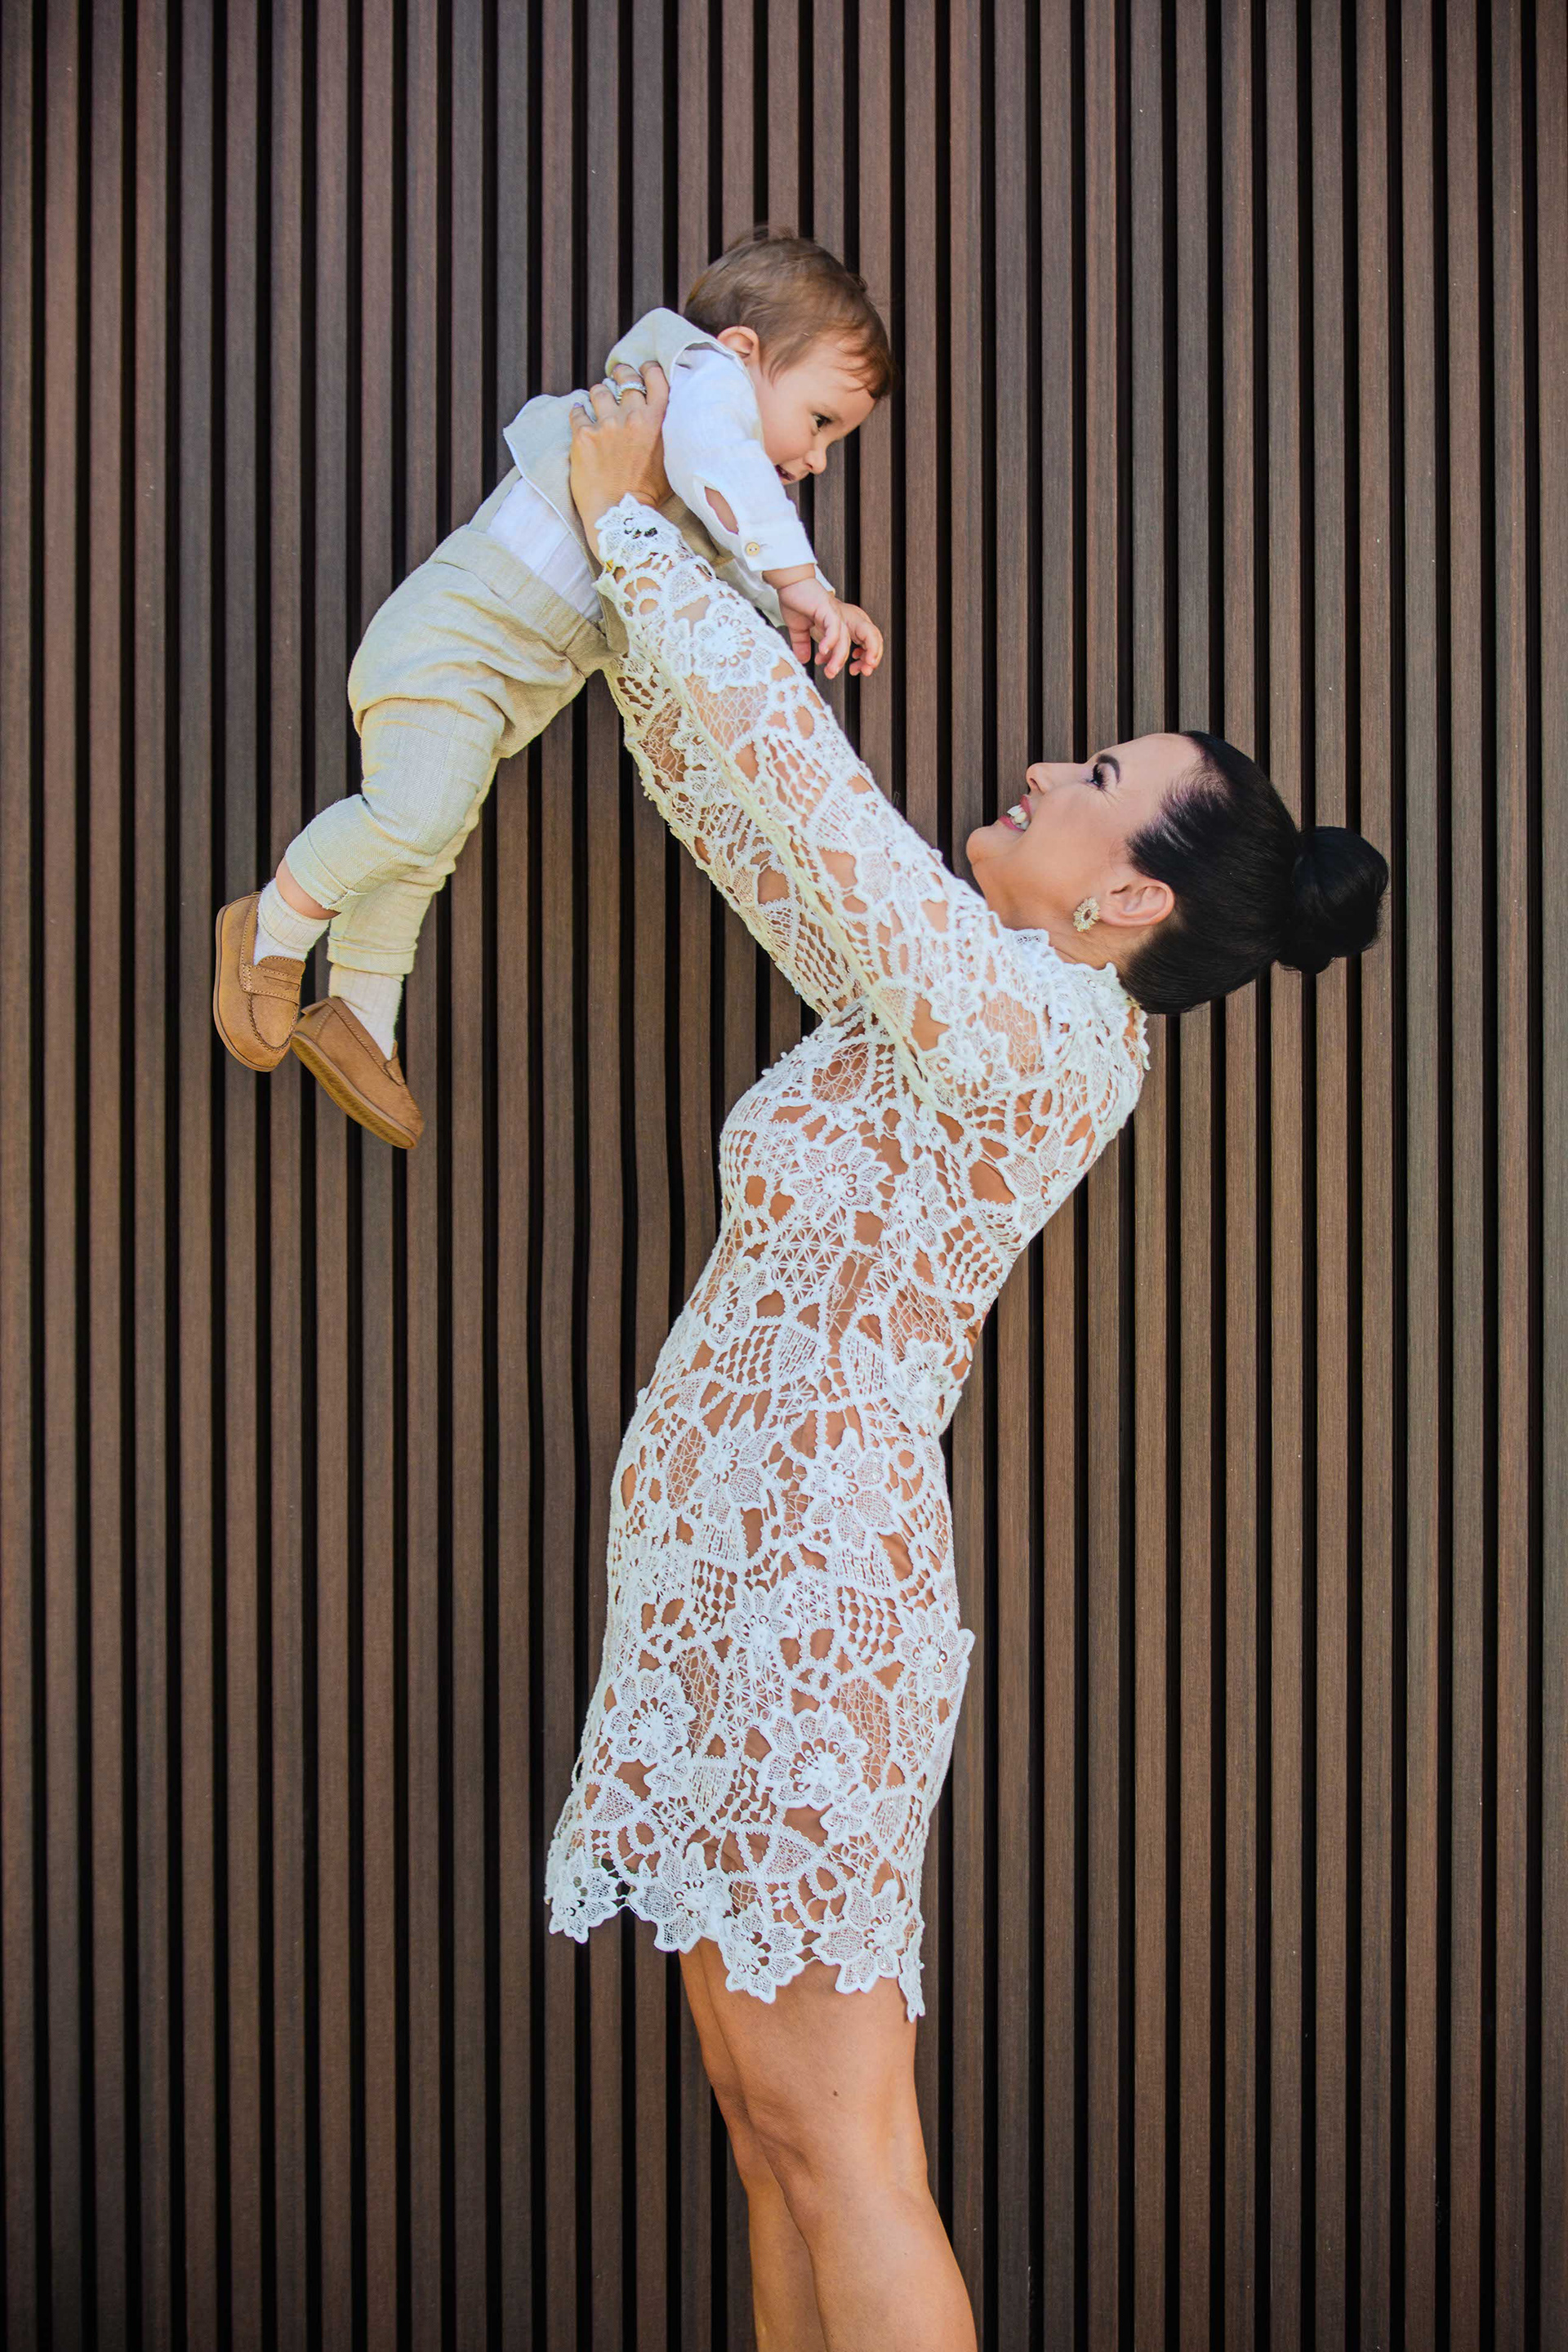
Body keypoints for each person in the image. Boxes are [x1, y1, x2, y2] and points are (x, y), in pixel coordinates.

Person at [546, 362, 1390, 2350]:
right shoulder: (949, 991)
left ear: (1129, 894)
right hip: (718, 1575)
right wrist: (656, 574)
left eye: (1089, 773)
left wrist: (633, 538)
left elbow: (824, 818)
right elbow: (759, 826)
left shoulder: (1048, 1035)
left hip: (813, 1592)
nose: (1038, 767)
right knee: (770, 2127)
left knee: (841, 2143)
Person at [211, 229, 892, 1147]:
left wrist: (795, 607)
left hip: (499, 686)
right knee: (413, 819)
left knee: (426, 842)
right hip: (454, 639)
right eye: (820, 422)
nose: (817, 459)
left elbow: (718, 569)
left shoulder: (696, 479)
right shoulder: (695, 382)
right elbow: (725, 469)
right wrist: (801, 581)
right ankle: (272, 926)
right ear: (742, 352)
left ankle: (362, 1016)